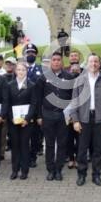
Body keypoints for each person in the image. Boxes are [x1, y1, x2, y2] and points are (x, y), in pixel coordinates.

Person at [71, 54, 101, 186]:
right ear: (87, 64)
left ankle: (96, 175)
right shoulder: (79, 80)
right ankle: (81, 175)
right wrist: (75, 120)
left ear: (99, 64)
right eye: (91, 61)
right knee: (82, 150)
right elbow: (74, 102)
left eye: (96, 61)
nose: (93, 64)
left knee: (98, 150)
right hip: (84, 119)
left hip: (99, 120)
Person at [36, 51, 74, 181]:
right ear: (50, 62)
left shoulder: (69, 77)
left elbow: (72, 97)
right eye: (54, 60)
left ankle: (59, 169)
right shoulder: (43, 77)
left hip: (63, 116)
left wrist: (71, 114)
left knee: (62, 143)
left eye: (59, 59)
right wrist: (39, 116)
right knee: (50, 144)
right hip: (48, 115)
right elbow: (38, 98)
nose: (56, 62)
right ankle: (50, 170)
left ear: (62, 62)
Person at [5, 62, 40, 180]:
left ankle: (24, 170)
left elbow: (34, 104)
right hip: (13, 121)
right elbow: (7, 104)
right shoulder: (10, 85)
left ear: (26, 72)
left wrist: (27, 119)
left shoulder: (32, 85)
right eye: (19, 70)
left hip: (26, 122)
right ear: (15, 71)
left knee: (25, 145)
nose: (21, 72)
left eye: (23, 70)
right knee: (15, 145)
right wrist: (11, 118)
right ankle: (15, 169)